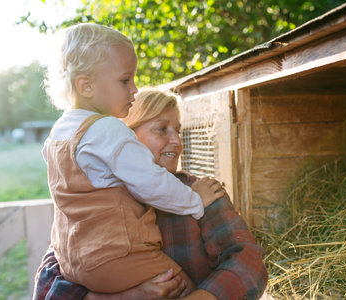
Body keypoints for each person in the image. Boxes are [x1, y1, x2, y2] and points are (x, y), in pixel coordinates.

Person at [33, 88, 268, 300]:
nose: (176, 140)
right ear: (126, 138)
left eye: (178, 130)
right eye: (161, 129)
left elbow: (249, 263)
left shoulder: (201, 193)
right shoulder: (97, 200)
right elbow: (48, 280)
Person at [42, 23, 225, 294]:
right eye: (125, 80)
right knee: (184, 287)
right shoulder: (106, 129)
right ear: (86, 85)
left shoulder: (58, 133)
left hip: (71, 261)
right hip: (117, 257)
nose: (135, 89)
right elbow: (151, 183)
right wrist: (196, 201)